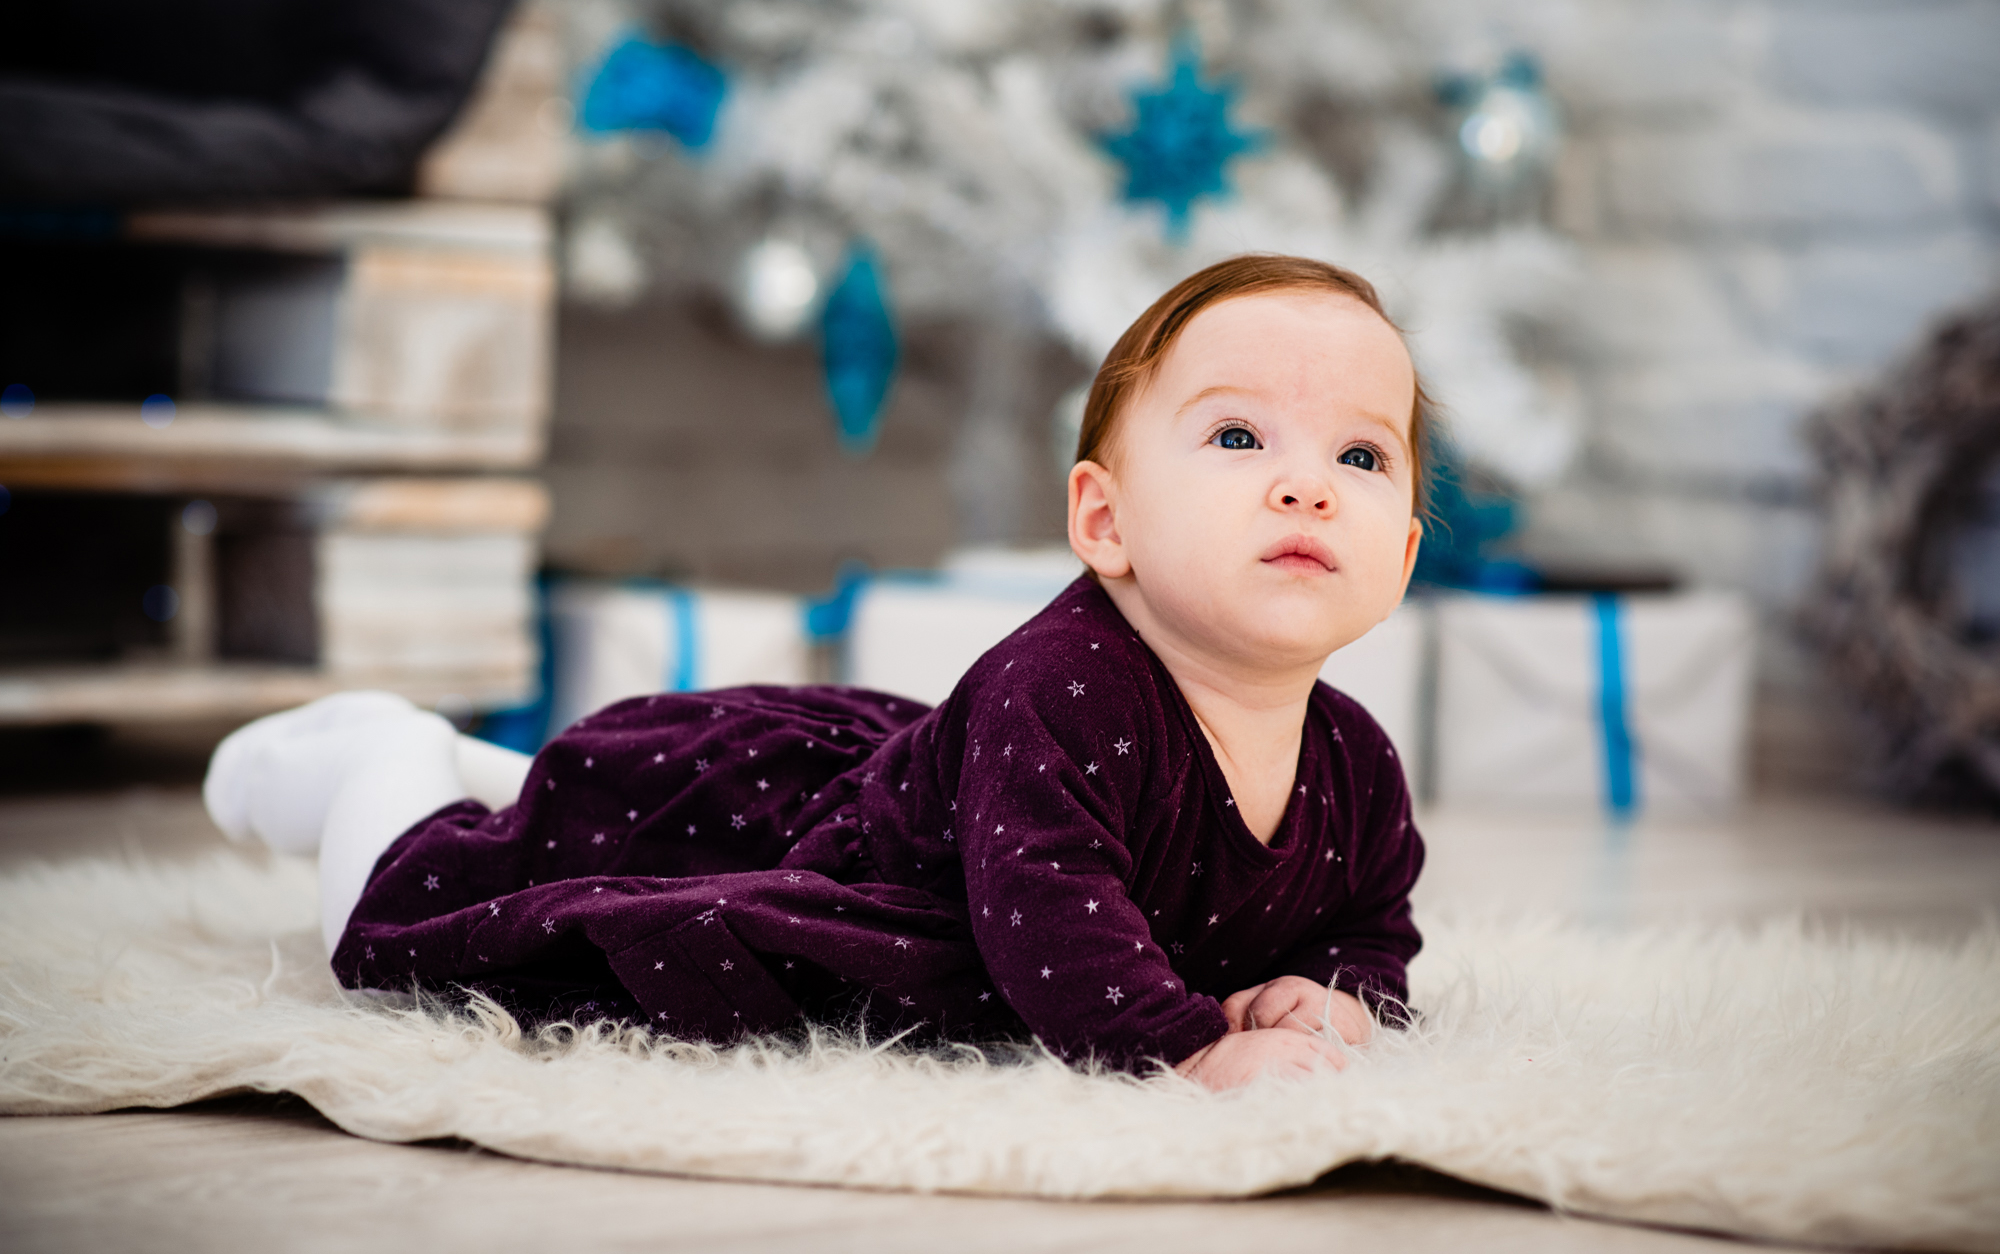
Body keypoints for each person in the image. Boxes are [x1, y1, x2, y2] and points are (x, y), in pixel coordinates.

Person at [205, 253, 1431, 1090]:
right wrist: (1186, 1052)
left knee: (555, 817)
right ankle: (385, 764)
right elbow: (1050, 920)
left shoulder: (1359, 767)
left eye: (1362, 456)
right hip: (808, 842)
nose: (1306, 483)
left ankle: (497, 775)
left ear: (1406, 553)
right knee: (452, 916)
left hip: (927, 786)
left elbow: (1372, 925)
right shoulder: (1065, 688)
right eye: (1234, 436)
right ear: (1102, 523)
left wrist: (1333, 995)